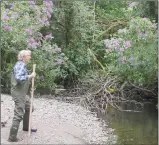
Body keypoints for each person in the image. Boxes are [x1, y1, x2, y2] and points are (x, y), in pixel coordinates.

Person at [8, 50, 36, 142]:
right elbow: (19, 78)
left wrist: (29, 76)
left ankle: (26, 127)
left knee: (30, 107)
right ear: (23, 57)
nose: (30, 57)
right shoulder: (21, 64)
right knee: (19, 114)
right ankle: (12, 137)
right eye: (29, 55)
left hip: (22, 93)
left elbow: (21, 77)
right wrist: (30, 76)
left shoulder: (22, 65)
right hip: (18, 94)